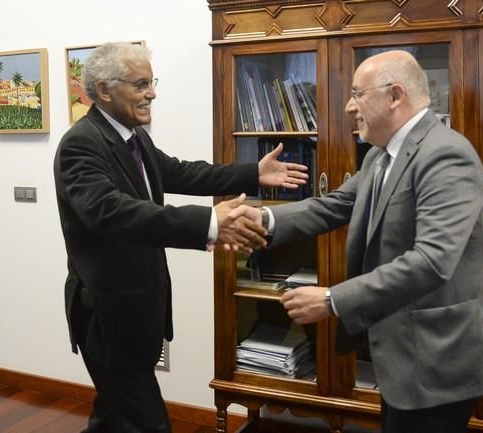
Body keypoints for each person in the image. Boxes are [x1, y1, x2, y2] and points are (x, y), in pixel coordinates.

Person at [234, 50, 483, 433]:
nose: (348, 106)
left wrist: (332, 300)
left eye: (357, 94)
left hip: (437, 358)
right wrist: (262, 218)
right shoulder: (379, 156)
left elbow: (431, 260)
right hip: (402, 353)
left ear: (395, 96)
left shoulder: (446, 154)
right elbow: (333, 205)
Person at [53, 42, 307, 433]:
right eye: (140, 84)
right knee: (147, 422)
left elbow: (182, 172)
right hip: (107, 316)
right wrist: (208, 222)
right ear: (104, 90)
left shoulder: (132, 137)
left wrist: (250, 173)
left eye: (151, 82)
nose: (151, 93)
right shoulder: (81, 145)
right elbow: (113, 213)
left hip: (139, 311)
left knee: (113, 416)